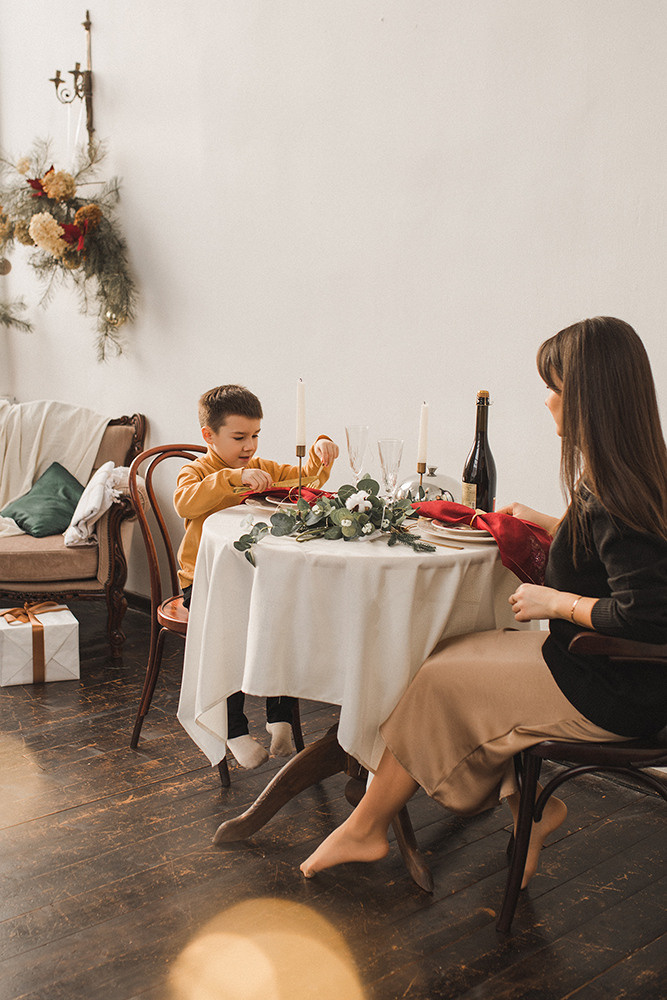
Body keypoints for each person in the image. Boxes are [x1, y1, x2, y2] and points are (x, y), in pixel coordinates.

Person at [301, 317, 667, 886]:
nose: (546, 400)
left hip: (613, 690)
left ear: (587, 399)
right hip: (597, 668)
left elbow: (648, 614)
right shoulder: (626, 477)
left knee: (440, 681)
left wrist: (556, 602)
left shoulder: (616, 493)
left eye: (554, 387)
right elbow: (615, 554)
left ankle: (367, 828)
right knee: (451, 653)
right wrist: (548, 524)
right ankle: (529, 809)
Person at [175, 383, 339, 769]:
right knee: (230, 635)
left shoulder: (263, 468)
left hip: (256, 576)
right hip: (206, 581)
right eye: (239, 437)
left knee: (283, 622)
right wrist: (234, 477)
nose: (249, 446)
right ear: (209, 436)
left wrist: (321, 448)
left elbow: (307, 479)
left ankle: (280, 716)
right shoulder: (196, 471)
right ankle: (234, 730)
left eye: (255, 435)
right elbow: (185, 501)